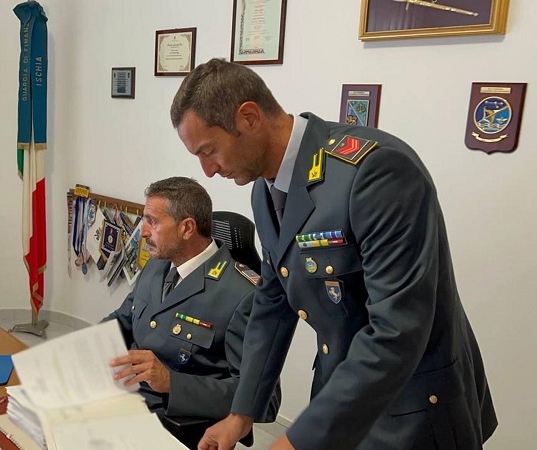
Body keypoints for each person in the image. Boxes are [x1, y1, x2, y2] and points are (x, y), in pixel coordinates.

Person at [170, 58, 497, 450]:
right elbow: (272, 301)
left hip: (411, 408)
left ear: (249, 117)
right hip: (340, 394)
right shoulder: (264, 189)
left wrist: (298, 441)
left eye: (209, 150)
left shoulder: (375, 172)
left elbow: (397, 329)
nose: (207, 170)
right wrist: (241, 413)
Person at [104, 176, 280, 449]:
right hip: (126, 402)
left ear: (187, 228)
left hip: (176, 425)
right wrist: (84, 344)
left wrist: (172, 382)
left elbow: (266, 400)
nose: (143, 232)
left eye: (153, 222)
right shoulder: (157, 265)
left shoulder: (243, 296)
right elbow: (126, 317)